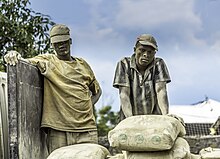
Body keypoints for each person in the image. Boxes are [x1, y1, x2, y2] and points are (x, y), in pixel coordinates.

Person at [4, 24, 102, 154]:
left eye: (64, 42)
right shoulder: (47, 61)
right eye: (57, 43)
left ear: (70, 41)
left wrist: (89, 105)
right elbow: (24, 62)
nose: (61, 46)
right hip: (59, 130)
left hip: (86, 129)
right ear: (52, 45)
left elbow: (97, 91)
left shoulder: (83, 65)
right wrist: (13, 54)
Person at [113, 34, 171, 121]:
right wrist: (131, 120)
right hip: (129, 118)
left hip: (154, 119)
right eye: (142, 50)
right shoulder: (124, 64)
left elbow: (161, 90)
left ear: (154, 54)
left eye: (150, 52)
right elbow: (124, 94)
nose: (146, 55)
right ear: (134, 50)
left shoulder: (159, 64)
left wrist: (166, 116)